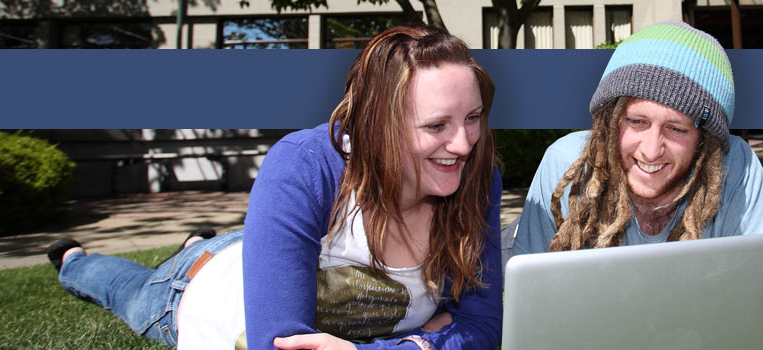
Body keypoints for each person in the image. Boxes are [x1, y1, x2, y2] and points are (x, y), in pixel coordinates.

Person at [48, 25, 503, 350]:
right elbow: (282, 344)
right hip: (195, 290)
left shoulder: (476, 178)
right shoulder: (305, 165)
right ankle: (76, 261)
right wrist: (431, 337)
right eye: (436, 124)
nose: (462, 144)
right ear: (377, 125)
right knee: (129, 289)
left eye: (473, 118)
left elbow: (485, 325)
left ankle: (200, 242)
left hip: (259, 249)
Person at [508, 21, 763, 259]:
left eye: (676, 129)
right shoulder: (564, 162)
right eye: (637, 122)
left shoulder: (737, 169)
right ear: (609, 120)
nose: (651, 152)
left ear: (704, 141)